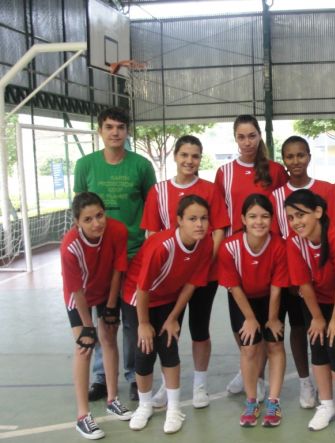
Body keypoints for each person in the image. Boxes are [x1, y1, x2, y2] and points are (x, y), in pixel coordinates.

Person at [74, 106, 157, 402]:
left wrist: (152, 245)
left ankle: (136, 375)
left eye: (120, 127)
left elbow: (153, 206)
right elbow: (79, 208)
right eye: (109, 126)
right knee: (103, 320)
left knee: (133, 320)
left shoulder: (141, 166)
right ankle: (100, 376)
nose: (115, 132)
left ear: (127, 131)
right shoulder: (85, 165)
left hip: (133, 254)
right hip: (98, 257)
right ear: (100, 130)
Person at [141, 135, 230, 409]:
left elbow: (218, 231)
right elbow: (152, 234)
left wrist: (201, 263)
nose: (189, 161)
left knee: (199, 328)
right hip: (170, 278)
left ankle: (199, 386)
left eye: (195, 156)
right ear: (175, 157)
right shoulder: (158, 191)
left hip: (204, 274)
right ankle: (168, 387)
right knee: (168, 327)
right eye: (185, 155)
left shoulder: (210, 190)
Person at [122, 195, 213, 434]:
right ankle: (144, 406)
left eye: (204, 218)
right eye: (192, 218)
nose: (199, 224)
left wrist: (173, 317)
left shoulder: (205, 243)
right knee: (145, 350)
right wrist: (143, 323)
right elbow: (142, 288)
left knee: (169, 347)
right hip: (138, 298)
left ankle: (174, 409)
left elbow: (192, 284)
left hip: (167, 299)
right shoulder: (161, 246)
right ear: (179, 220)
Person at [215, 115, 288, 398]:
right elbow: (221, 216)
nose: (247, 142)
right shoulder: (225, 173)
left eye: (252, 136)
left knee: (270, 321)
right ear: (235, 139)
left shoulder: (275, 170)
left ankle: (258, 376)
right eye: (241, 137)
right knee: (245, 325)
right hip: (238, 256)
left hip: (269, 253)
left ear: (260, 137)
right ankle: (250, 369)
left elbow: (284, 208)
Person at [270, 135, 335, 409]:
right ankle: (305, 382)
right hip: (294, 276)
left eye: (301, 155)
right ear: (284, 160)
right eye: (290, 156)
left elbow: (334, 230)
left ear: (309, 156)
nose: (296, 161)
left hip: (326, 276)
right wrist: (290, 278)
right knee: (300, 328)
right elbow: (278, 238)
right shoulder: (276, 197)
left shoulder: (326, 189)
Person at [285, 190, 335, 437]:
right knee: (317, 344)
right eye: (291, 217)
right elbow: (303, 285)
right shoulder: (293, 242)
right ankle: (326, 405)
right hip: (314, 300)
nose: (296, 222)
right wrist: (317, 318)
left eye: (301, 215)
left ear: (318, 212)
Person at [61, 192, 133, 439]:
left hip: (105, 289)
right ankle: (83, 416)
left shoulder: (118, 231)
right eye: (88, 219)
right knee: (85, 347)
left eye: (100, 215)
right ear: (77, 223)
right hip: (79, 296)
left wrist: (111, 307)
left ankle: (112, 399)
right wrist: (88, 326)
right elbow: (76, 290)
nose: (96, 223)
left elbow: (117, 269)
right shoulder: (70, 247)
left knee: (110, 338)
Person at [218, 194, 289, 427]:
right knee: (249, 348)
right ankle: (251, 401)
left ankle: (274, 402)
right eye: (253, 216)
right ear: (243, 220)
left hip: (270, 298)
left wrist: (272, 319)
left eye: (265, 216)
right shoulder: (230, 247)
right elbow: (234, 287)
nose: (259, 221)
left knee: (275, 343)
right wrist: (250, 318)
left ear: (272, 219)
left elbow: (277, 288)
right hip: (243, 299)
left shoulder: (279, 245)